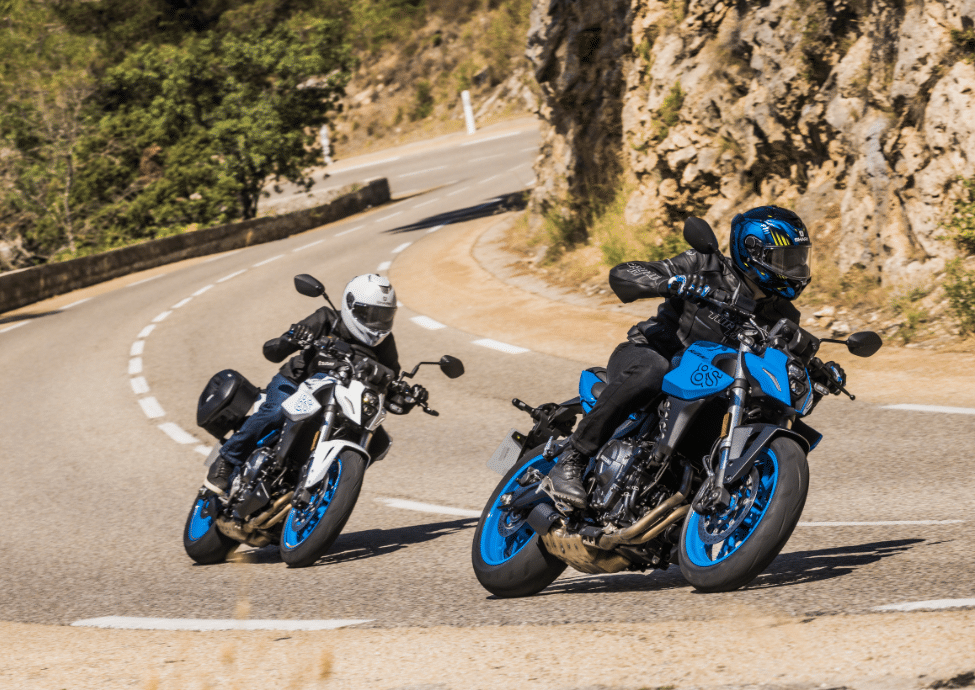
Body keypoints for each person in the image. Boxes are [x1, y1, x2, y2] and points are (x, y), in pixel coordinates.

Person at [545, 205, 846, 509]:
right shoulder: (705, 264)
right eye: (785, 260)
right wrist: (671, 282)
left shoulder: (783, 315)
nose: (795, 269)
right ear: (753, 252)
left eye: (799, 259)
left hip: (710, 385)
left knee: (750, 412)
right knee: (652, 369)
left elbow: (778, 367)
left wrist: (815, 375)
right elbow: (625, 273)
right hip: (653, 353)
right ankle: (573, 457)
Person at [204, 273, 420, 495]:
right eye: (371, 314)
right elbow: (272, 351)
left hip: (344, 398)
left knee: (380, 442)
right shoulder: (327, 318)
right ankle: (227, 460)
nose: (377, 323)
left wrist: (408, 396)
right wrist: (292, 338)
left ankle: (332, 487)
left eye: (384, 316)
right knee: (276, 412)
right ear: (351, 306)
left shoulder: (385, 342)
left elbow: (390, 381)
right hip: (296, 383)